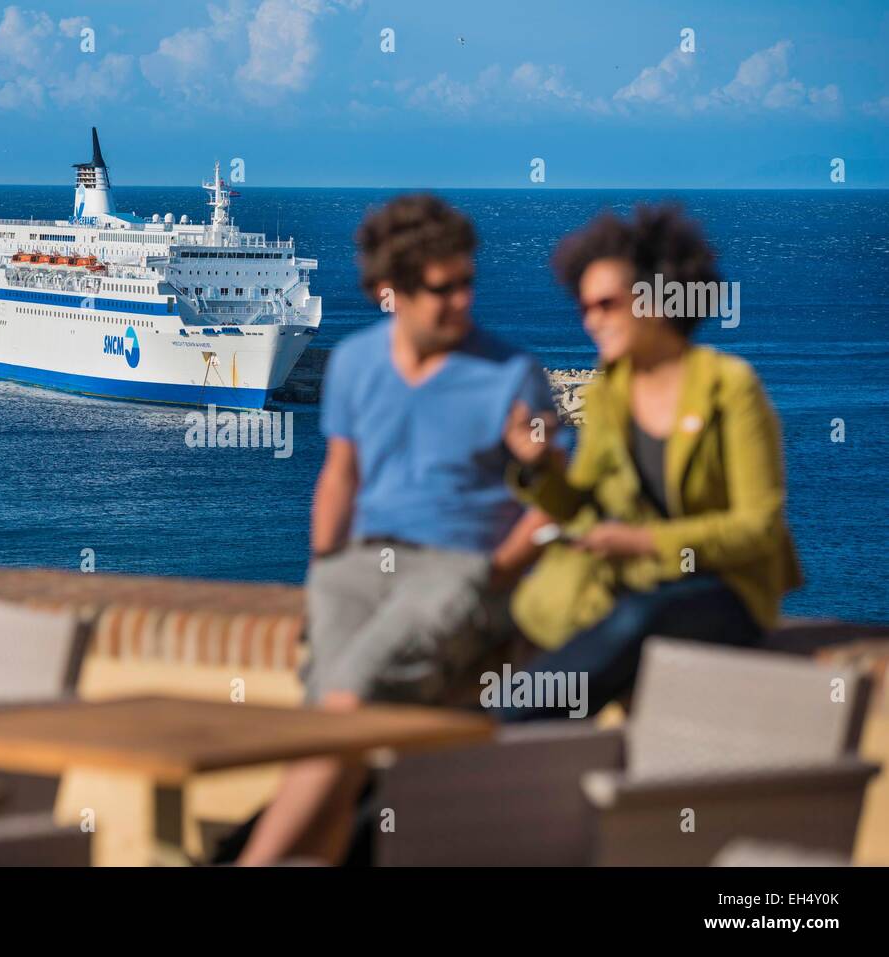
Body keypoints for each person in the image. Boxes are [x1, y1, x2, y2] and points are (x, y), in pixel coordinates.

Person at [236, 195, 556, 865]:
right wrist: (323, 567)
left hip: (454, 570)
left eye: (468, 282)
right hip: (357, 570)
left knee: (342, 707)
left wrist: (490, 574)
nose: (463, 301)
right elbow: (340, 475)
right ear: (394, 291)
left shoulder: (511, 374)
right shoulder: (356, 362)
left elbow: (555, 507)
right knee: (337, 741)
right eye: (444, 289)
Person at [500, 204, 802, 720]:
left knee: (633, 622)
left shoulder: (729, 388)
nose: (592, 320)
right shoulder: (607, 395)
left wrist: (641, 542)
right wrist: (539, 468)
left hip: (723, 589)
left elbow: (760, 528)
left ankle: (507, 727)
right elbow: (579, 505)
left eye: (607, 304)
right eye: (585, 307)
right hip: (637, 582)